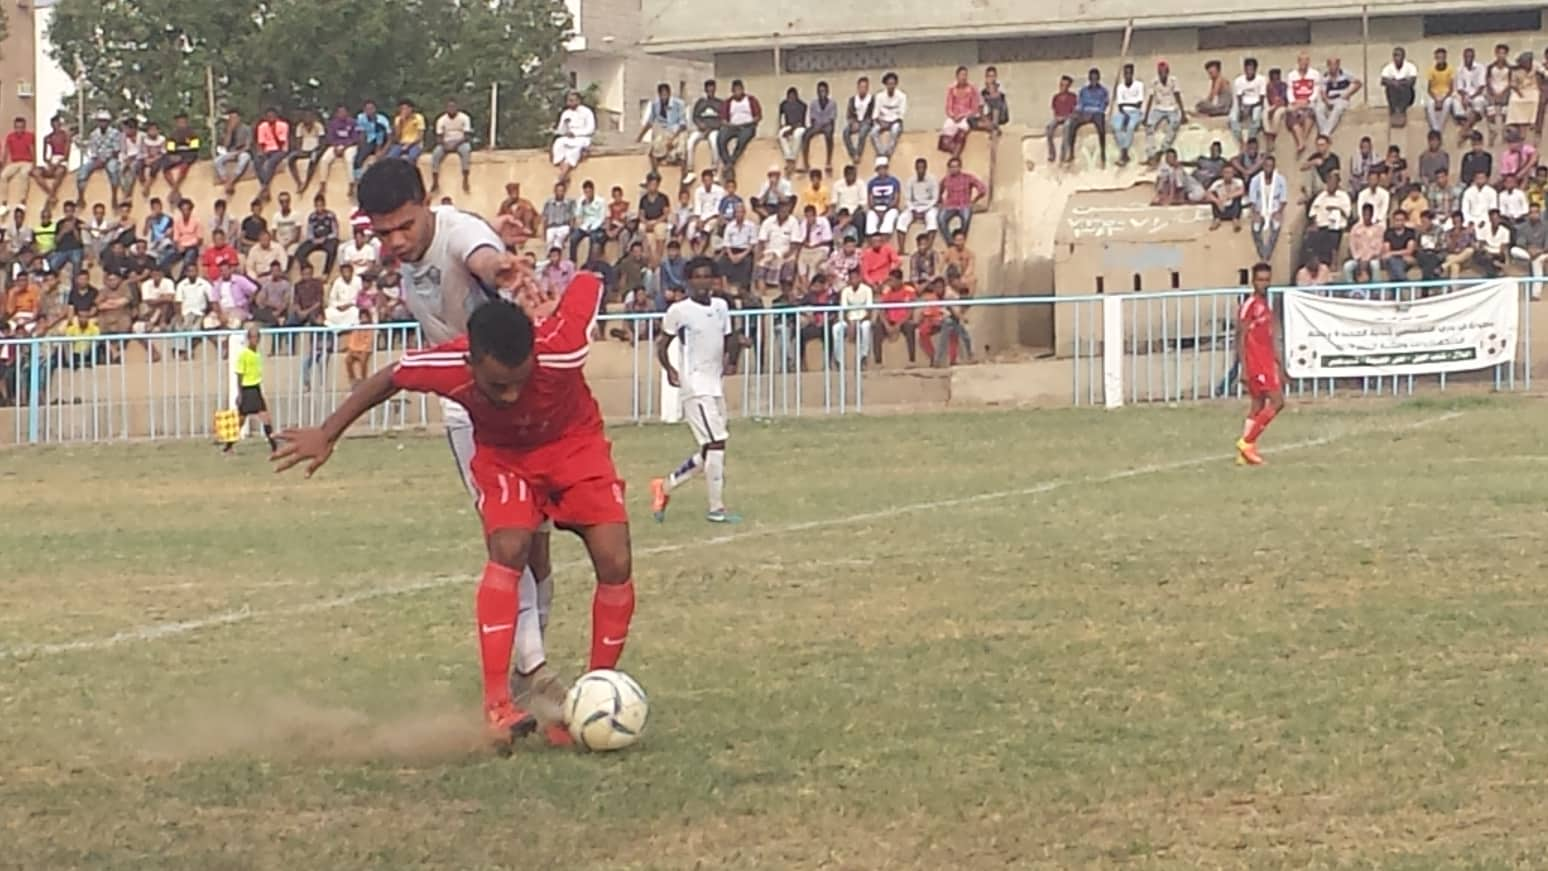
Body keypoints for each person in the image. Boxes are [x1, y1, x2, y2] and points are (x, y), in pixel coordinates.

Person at [272, 275, 636, 753]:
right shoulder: (449, 365)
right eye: (496, 386)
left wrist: (543, 284)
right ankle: (497, 706)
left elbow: (590, 282)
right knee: (509, 547)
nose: (509, 396)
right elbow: (388, 377)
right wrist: (327, 432)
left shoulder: (563, 347)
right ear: (471, 362)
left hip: (574, 448)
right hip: (506, 460)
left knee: (615, 560)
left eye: (519, 382)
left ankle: (594, 695)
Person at [345, 158, 568, 743]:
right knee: (509, 539)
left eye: (404, 226)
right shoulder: (405, 260)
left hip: (518, 398)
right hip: (471, 410)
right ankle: (534, 672)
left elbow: (485, 261)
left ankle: (527, 670)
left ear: (427, 204)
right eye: (382, 232)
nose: (396, 241)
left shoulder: (459, 231)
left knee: (537, 545)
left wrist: (503, 270)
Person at [651, 256, 740, 524]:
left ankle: (665, 486)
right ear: (689, 281)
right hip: (695, 385)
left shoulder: (722, 306)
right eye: (697, 276)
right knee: (716, 444)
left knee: (710, 449)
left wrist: (733, 359)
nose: (702, 281)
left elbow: (729, 337)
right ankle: (717, 509)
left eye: (707, 276)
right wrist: (669, 369)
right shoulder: (680, 310)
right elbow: (662, 343)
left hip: (714, 384)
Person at [1235, 262, 1285, 467]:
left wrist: (1279, 363)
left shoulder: (1265, 306)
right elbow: (1240, 336)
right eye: (1260, 280)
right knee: (1277, 402)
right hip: (1255, 363)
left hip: (1265, 361)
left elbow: (1269, 338)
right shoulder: (1249, 305)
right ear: (1253, 281)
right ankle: (1247, 442)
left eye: (1267, 280)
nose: (1264, 284)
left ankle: (1244, 454)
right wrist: (1244, 367)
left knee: (1257, 405)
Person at [230, 322, 279, 454]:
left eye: (257, 337)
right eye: (252, 337)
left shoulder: (257, 354)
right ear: (248, 338)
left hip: (255, 388)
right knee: (241, 420)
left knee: (266, 417)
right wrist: (240, 394)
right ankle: (228, 446)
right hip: (247, 389)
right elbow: (239, 375)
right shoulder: (244, 354)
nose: (255, 340)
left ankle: (274, 446)